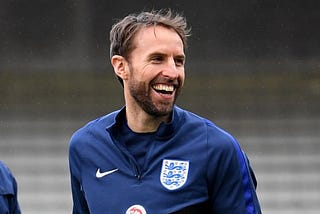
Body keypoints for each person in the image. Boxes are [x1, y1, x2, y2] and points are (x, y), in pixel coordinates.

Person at [69, 9, 262, 214]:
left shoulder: (216, 148)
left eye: (178, 61)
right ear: (121, 66)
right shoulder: (85, 146)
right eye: (157, 59)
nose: (172, 72)